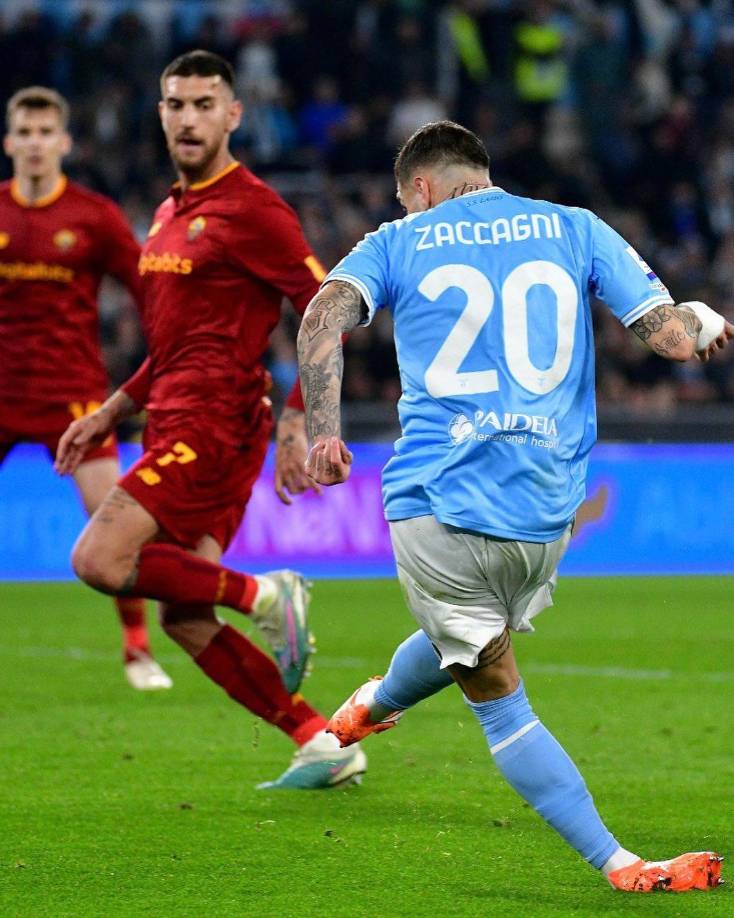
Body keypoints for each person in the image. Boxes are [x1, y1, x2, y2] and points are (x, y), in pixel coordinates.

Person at [297, 121, 731, 888]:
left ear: (420, 188)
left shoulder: (399, 240)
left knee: (487, 676)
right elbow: (671, 339)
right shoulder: (576, 227)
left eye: (404, 200)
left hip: (439, 500)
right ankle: (371, 707)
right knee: (478, 643)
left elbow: (320, 318)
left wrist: (324, 433)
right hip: (546, 508)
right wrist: (703, 319)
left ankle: (619, 864)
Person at [56, 51, 366, 789]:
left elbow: (328, 311)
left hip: (216, 423)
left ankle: (267, 594)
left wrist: (299, 421)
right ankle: (321, 742)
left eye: (204, 104)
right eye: (176, 104)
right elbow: (172, 347)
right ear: (161, 113)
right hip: (173, 417)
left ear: (234, 114)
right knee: (185, 615)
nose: (188, 118)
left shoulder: (253, 208)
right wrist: (111, 410)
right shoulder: (169, 213)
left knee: (98, 560)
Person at [0, 86, 171, 691]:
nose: (36, 143)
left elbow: (150, 292)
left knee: (111, 519)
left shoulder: (93, 216)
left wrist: (166, 366)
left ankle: (137, 649)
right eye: (25, 132)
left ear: (65, 142)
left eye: (46, 132)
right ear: (9, 142)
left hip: (72, 393)